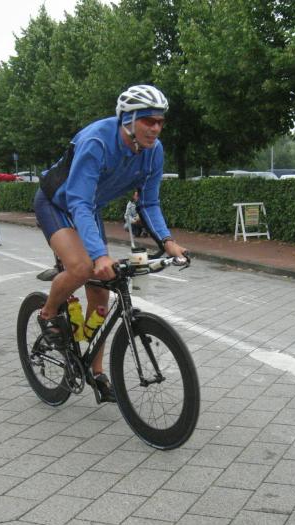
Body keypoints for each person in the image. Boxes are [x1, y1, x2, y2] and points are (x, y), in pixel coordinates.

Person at [33, 84, 186, 402]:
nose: (156, 128)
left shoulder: (153, 151)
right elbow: (77, 201)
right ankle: (47, 315)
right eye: (148, 121)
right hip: (58, 204)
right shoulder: (97, 141)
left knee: (101, 295)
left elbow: (148, 202)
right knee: (82, 267)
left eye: (160, 122)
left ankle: (97, 372)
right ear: (128, 120)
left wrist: (168, 242)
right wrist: (100, 255)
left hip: (88, 209)